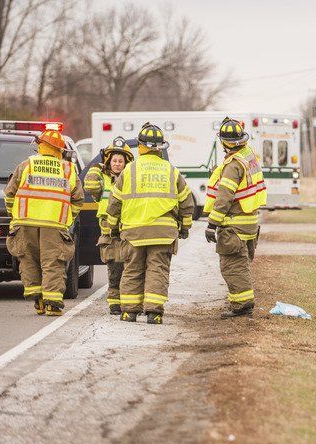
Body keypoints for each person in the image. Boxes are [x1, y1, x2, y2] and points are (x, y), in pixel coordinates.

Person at [106, 122, 194, 324]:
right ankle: (154, 313)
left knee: (132, 269)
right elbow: (186, 202)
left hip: (133, 232)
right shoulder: (171, 171)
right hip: (163, 232)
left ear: (140, 145)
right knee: (157, 269)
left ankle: (129, 312)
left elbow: (114, 203)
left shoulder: (129, 171)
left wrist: (112, 227)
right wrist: (185, 227)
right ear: (160, 146)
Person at [4, 127, 84, 316]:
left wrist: (14, 215)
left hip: (24, 223)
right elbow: (78, 199)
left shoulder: (26, 165)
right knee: (53, 263)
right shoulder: (68, 169)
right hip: (55, 225)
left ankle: (37, 298)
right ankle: (53, 304)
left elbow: (10, 194)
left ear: (41, 146)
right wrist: (67, 218)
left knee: (28, 260)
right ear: (60, 150)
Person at [204, 117, 267, 318]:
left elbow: (224, 197)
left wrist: (212, 224)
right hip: (249, 224)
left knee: (232, 266)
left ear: (223, 142)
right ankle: (243, 303)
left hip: (234, 226)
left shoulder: (232, 165)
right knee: (242, 265)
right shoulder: (249, 156)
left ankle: (241, 306)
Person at [84, 137, 133, 314]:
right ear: (108, 162)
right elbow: (89, 185)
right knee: (114, 268)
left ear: (126, 163)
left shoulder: (130, 179)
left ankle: (130, 303)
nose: (117, 164)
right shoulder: (102, 177)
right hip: (109, 231)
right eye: (114, 160)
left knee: (130, 268)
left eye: (121, 161)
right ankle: (114, 303)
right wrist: (97, 166)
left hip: (127, 228)